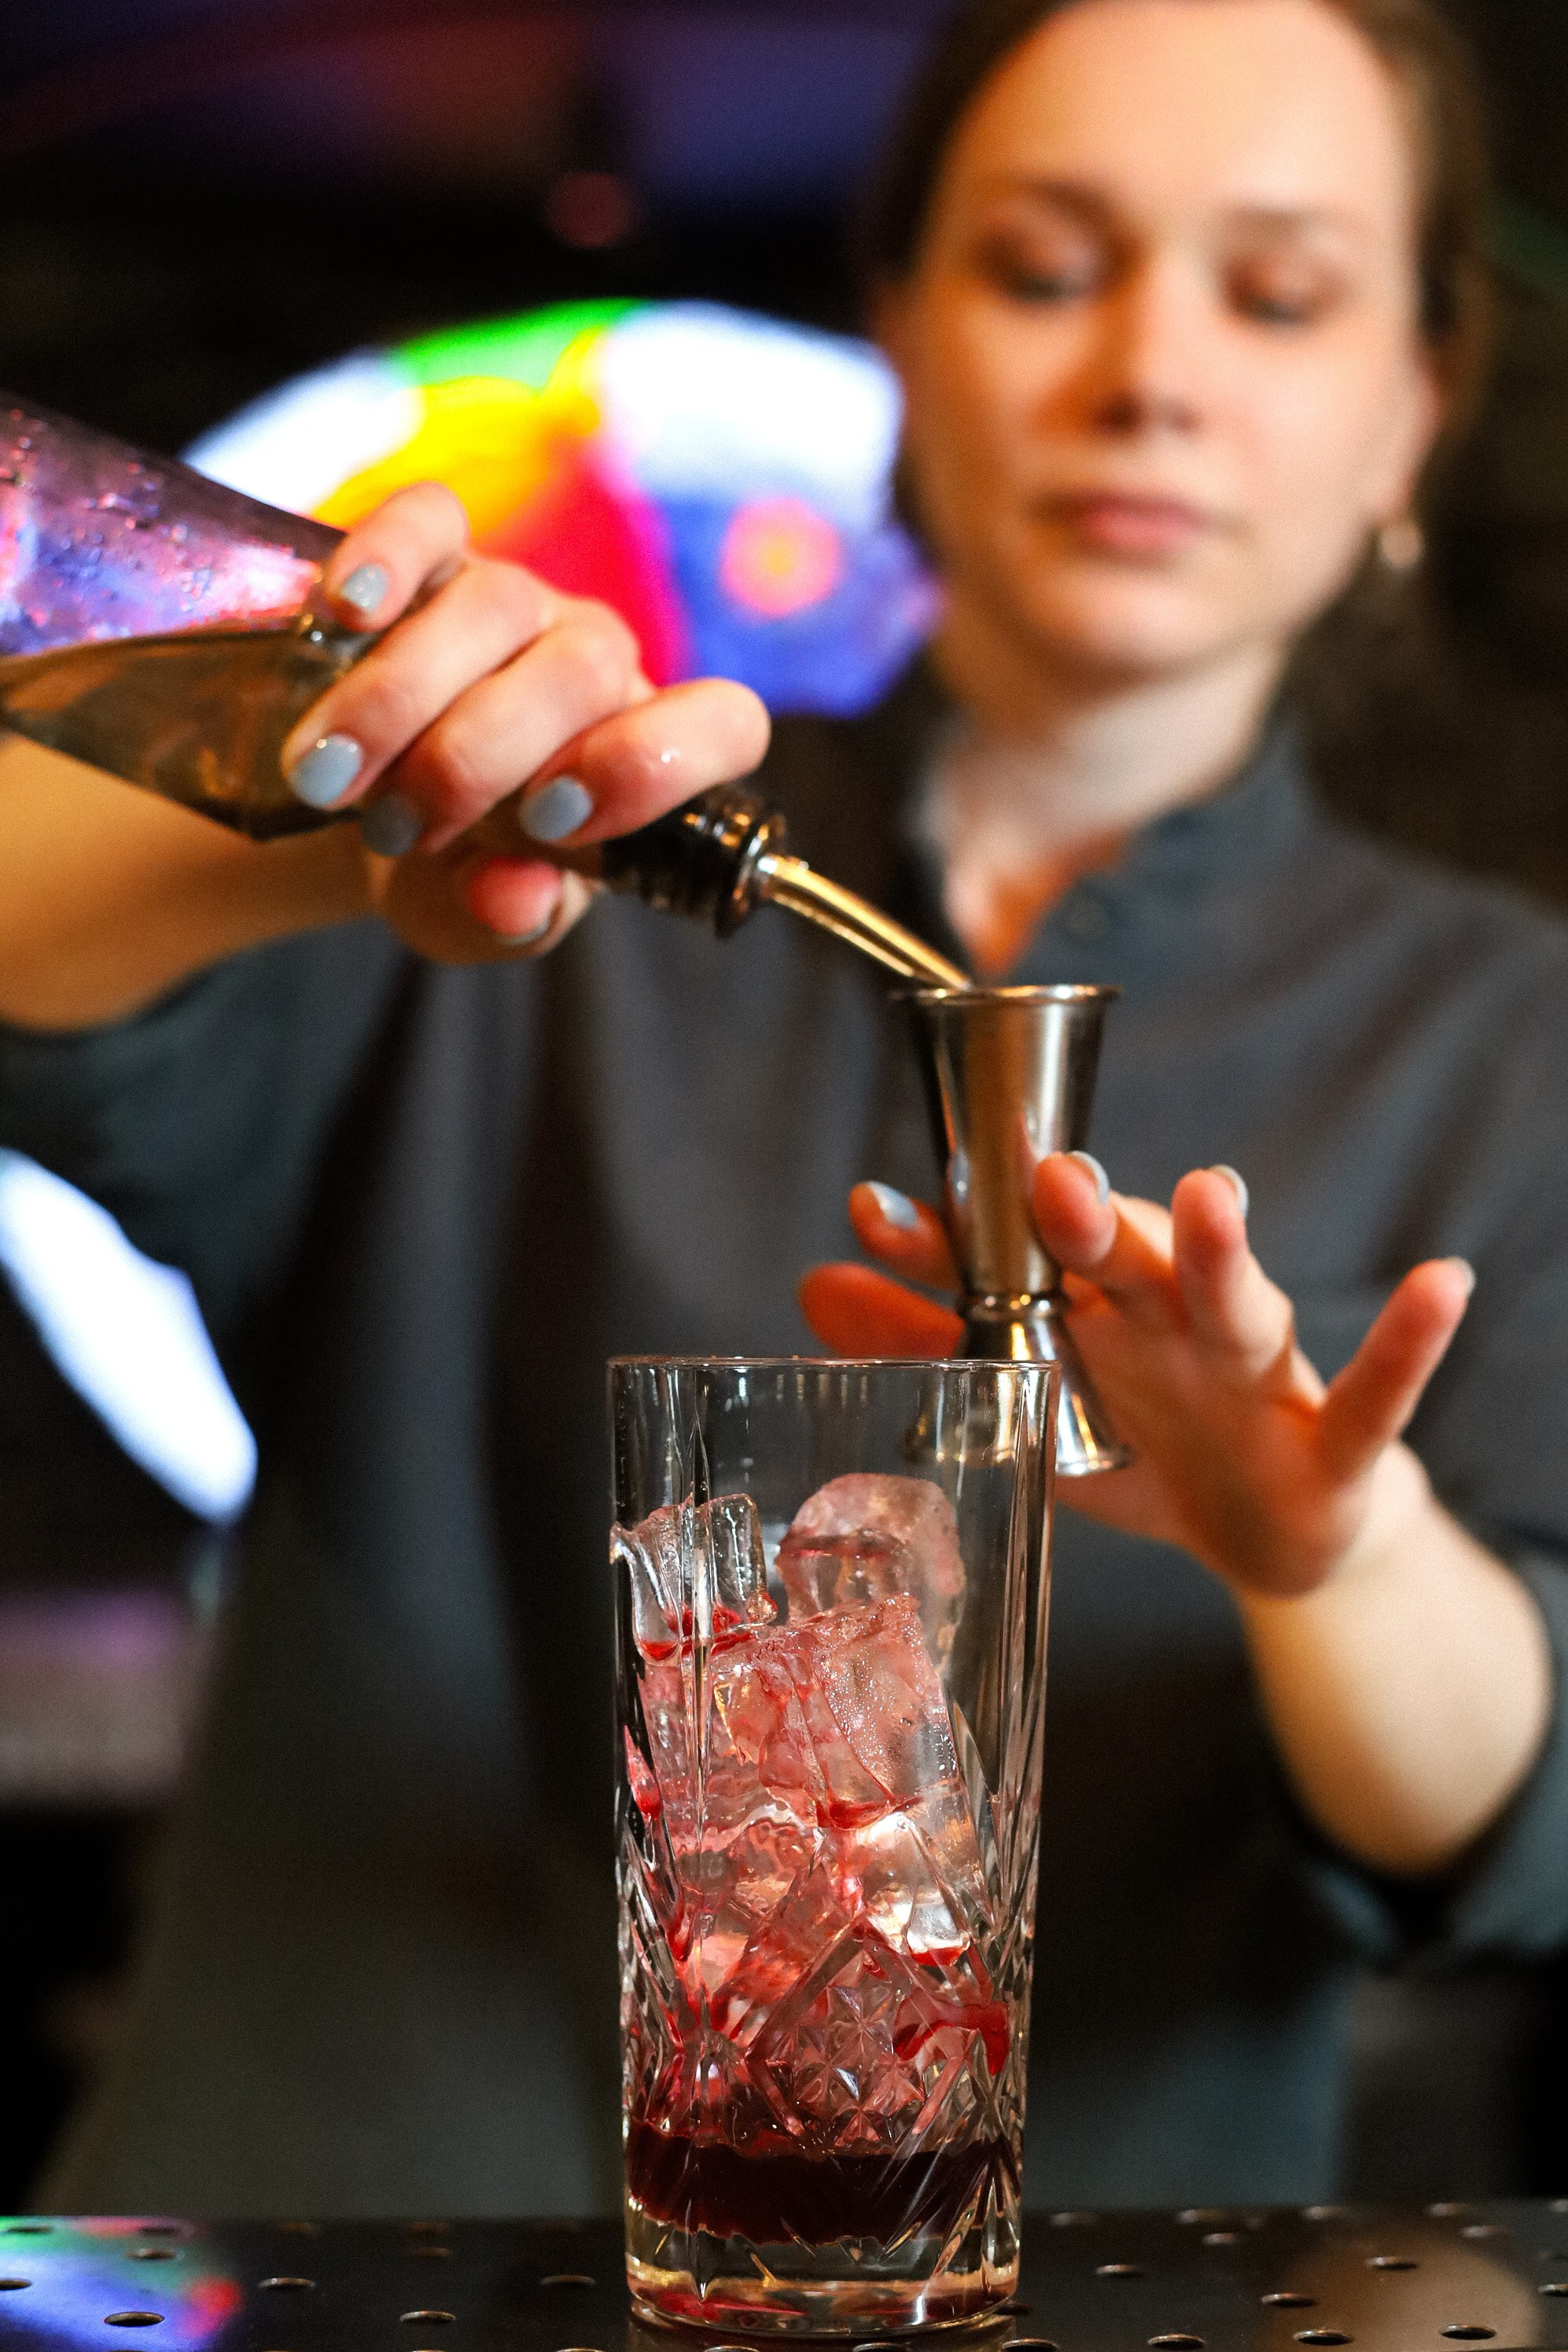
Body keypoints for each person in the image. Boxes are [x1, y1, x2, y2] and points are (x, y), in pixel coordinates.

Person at [1, 0, 1566, 2214]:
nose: (1150, 373)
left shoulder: (1511, 1040)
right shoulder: (541, 859)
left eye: (1279, 292)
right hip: (326, 2245)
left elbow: (1519, 1834)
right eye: (1042, 268)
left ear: (1411, 413)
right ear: (896, 343)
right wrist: (328, 783)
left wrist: (1334, 1552)